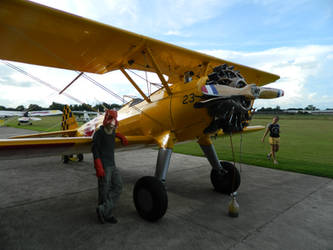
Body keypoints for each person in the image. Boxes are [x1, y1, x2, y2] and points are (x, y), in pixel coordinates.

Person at [92, 109, 128, 224]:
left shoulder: (112, 131)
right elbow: (95, 149)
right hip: (104, 166)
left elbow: (112, 133)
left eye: (114, 119)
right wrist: (98, 166)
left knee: (118, 186)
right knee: (104, 191)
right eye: (111, 118)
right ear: (106, 119)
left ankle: (103, 210)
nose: (113, 122)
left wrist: (120, 136)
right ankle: (105, 214)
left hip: (112, 165)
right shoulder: (99, 133)